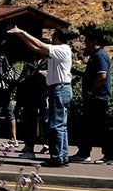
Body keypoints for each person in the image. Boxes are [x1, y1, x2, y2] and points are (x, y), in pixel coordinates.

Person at [8, 26, 75, 168]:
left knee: (56, 124)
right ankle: (62, 155)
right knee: (61, 125)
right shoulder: (60, 51)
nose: (51, 39)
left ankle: (57, 157)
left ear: (58, 38)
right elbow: (37, 48)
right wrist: (22, 37)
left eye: (53, 37)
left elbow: (39, 44)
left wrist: (23, 32)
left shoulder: (61, 49)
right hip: (62, 88)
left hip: (59, 88)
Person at [72, 30, 113, 165]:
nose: (85, 42)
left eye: (87, 39)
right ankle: (84, 153)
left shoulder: (100, 55)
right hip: (95, 97)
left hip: (98, 97)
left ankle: (111, 155)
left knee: (100, 127)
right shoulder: (95, 55)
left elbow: (102, 76)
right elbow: (94, 76)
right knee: (87, 126)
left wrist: (91, 92)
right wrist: (79, 73)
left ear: (94, 41)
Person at [14, 58, 47, 160]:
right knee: (27, 129)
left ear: (32, 72)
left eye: (26, 71)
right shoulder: (24, 83)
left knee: (32, 130)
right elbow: (19, 98)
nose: (23, 72)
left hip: (33, 108)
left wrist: (40, 108)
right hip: (27, 109)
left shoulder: (35, 82)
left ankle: (30, 149)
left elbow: (40, 96)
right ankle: (28, 147)